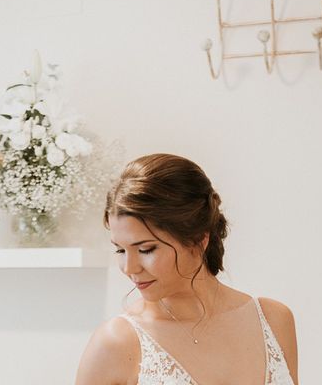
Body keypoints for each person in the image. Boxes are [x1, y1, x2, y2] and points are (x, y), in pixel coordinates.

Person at [75, 154, 298, 385]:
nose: (129, 268)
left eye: (146, 249)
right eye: (120, 250)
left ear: (199, 239)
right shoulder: (115, 343)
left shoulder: (274, 320)